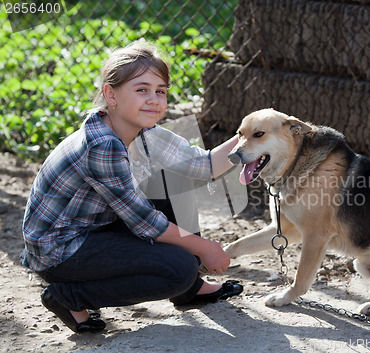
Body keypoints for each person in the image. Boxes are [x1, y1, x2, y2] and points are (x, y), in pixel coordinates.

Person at [21, 41, 243, 333]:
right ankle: (69, 296)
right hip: (61, 251)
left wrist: (251, 136)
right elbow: (145, 222)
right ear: (110, 95)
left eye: (160, 91)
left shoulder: (145, 131)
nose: (153, 99)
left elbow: (203, 165)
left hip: (96, 227)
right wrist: (204, 248)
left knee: (173, 179)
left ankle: (189, 289)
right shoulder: (102, 146)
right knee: (179, 269)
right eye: (142, 89)